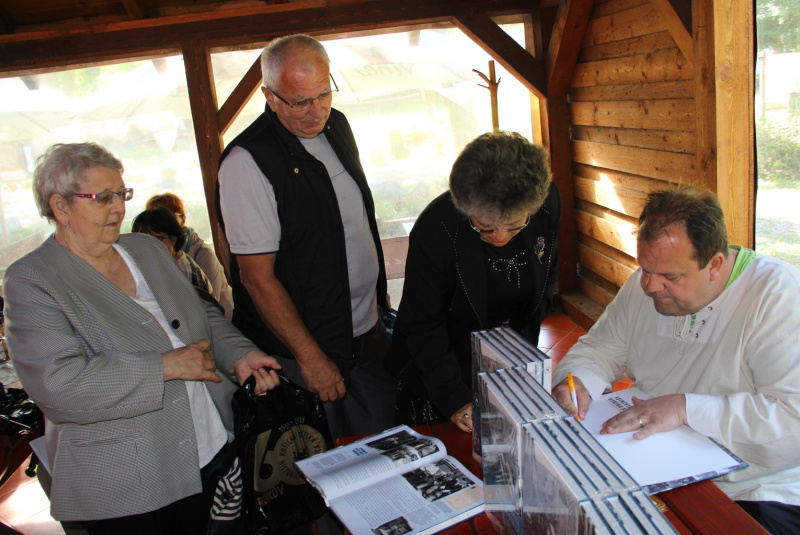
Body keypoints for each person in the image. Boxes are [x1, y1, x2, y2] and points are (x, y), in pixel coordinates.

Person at [3, 142, 282, 533]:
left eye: (121, 194)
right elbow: (58, 385)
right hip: (129, 483)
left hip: (212, 447)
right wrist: (164, 367)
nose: (118, 207)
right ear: (61, 207)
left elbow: (199, 313)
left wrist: (239, 354)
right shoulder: (32, 280)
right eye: (102, 198)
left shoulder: (146, 249)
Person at [552, 187, 800, 535]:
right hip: (651, 464)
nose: (651, 286)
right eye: (645, 269)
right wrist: (576, 383)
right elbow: (600, 349)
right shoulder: (647, 282)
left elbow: (792, 418)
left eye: (670, 277)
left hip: (755, 486)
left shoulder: (777, 296)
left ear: (714, 264)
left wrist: (686, 409)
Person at [216, 34, 395, 440]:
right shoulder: (247, 163)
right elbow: (256, 279)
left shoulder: (338, 125)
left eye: (324, 93)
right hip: (303, 352)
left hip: (366, 334)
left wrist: (377, 301)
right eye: (300, 101)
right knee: (321, 467)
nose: (316, 111)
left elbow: (353, 221)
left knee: (388, 449)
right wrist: (310, 358)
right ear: (270, 96)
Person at [386, 131, 560, 432]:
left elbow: (545, 283)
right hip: (440, 364)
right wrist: (455, 399)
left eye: (514, 225)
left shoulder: (546, 202)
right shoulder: (437, 229)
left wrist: (522, 366)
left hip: (504, 360)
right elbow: (423, 325)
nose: (500, 237)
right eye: (486, 227)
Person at [146, 192, 234, 319]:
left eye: (168, 215)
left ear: (183, 220)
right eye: (154, 217)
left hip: (221, 319)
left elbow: (210, 302)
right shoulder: (152, 255)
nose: (161, 222)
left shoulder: (202, 253)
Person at [132, 206, 219, 310]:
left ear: (173, 238)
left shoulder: (185, 270)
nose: (148, 245)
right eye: (142, 240)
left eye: (157, 239)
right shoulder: (150, 265)